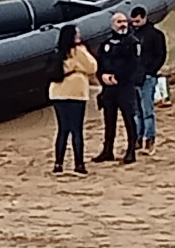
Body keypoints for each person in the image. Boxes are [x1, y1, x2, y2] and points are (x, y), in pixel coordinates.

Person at [47, 24, 98, 175]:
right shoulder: (78, 51)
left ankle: (58, 163)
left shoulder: (57, 52)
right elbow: (92, 67)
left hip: (57, 93)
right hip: (75, 94)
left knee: (62, 129)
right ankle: (79, 163)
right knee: (77, 130)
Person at [93, 12, 142, 165]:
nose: (123, 24)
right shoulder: (106, 43)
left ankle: (131, 150)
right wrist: (102, 76)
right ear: (113, 24)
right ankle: (107, 150)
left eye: (124, 21)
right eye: (119, 21)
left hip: (125, 86)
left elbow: (133, 65)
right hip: (108, 88)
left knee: (128, 118)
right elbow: (100, 62)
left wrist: (117, 77)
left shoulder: (132, 42)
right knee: (109, 119)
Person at [130, 6, 167, 154]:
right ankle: (138, 138)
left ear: (144, 18)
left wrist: (151, 71)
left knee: (147, 111)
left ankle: (149, 139)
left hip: (147, 77)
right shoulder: (131, 34)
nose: (135, 24)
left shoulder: (155, 35)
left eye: (138, 21)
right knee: (137, 111)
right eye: (133, 21)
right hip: (134, 78)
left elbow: (161, 55)